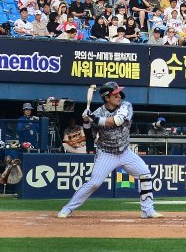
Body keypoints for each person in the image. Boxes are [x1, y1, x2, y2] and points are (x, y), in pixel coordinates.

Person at [56, 82, 160, 219]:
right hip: (106, 153)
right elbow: (89, 136)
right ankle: (67, 209)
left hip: (125, 152)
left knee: (144, 174)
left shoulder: (126, 106)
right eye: (115, 94)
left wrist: (93, 118)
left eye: (119, 94)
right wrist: (86, 122)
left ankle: (148, 210)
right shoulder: (98, 112)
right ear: (106, 97)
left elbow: (117, 121)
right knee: (94, 183)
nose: (119, 96)